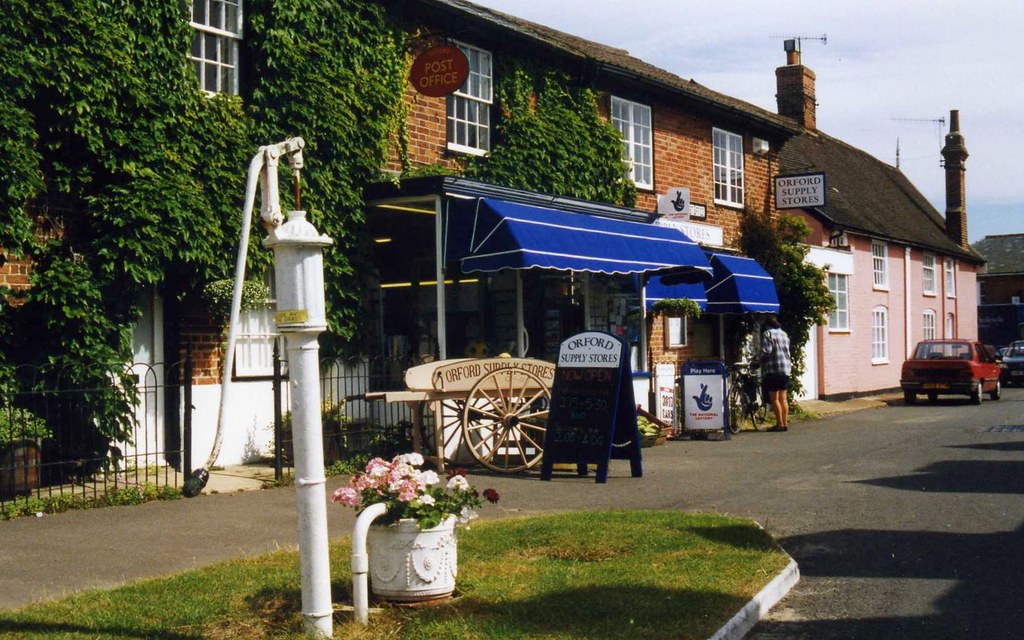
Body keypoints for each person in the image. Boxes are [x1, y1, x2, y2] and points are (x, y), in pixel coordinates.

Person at [760, 315, 792, 432]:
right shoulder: (784, 334)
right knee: (783, 398)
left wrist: (758, 360)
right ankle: (785, 423)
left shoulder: (768, 334)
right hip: (785, 369)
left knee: (774, 398)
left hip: (774, 369)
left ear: (767, 325)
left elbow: (767, 351)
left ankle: (779, 424)